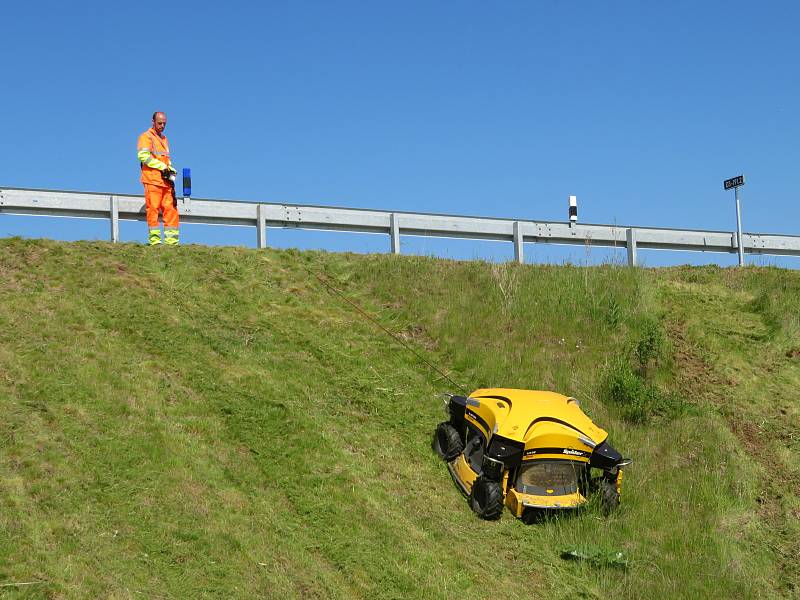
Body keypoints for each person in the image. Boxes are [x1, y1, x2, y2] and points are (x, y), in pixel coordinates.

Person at [137, 112, 179, 245]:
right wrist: (162, 166)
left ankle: (171, 243)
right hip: (152, 180)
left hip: (165, 182)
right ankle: (155, 242)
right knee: (153, 209)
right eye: (160, 123)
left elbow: (166, 159)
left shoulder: (164, 139)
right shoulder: (146, 136)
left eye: (164, 123)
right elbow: (143, 156)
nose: (162, 126)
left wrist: (170, 168)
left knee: (171, 209)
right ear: (153, 122)